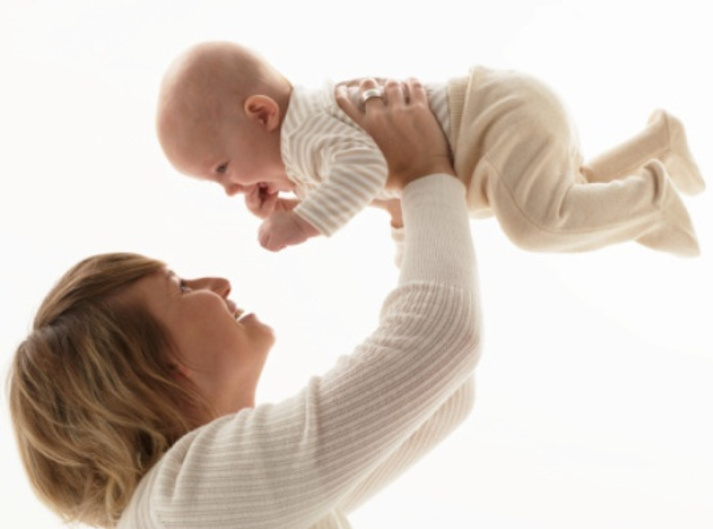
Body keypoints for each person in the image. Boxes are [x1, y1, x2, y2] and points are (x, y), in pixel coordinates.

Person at [8, 79, 482, 528]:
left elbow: (441, 396)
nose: (219, 283)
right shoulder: (186, 502)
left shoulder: (192, 506)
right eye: (181, 288)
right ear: (158, 368)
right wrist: (422, 170)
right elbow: (442, 339)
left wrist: (397, 204)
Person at [156, 40, 705, 257]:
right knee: (572, 197)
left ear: (261, 114)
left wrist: (303, 222)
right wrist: (293, 201)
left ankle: (653, 200)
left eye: (221, 168)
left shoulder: (306, 131)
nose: (229, 189)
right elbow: (391, 195)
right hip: (498, 124)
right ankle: (658, 142)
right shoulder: (309, 148)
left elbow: (365, 171)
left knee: (538, 225)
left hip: (494, 119)